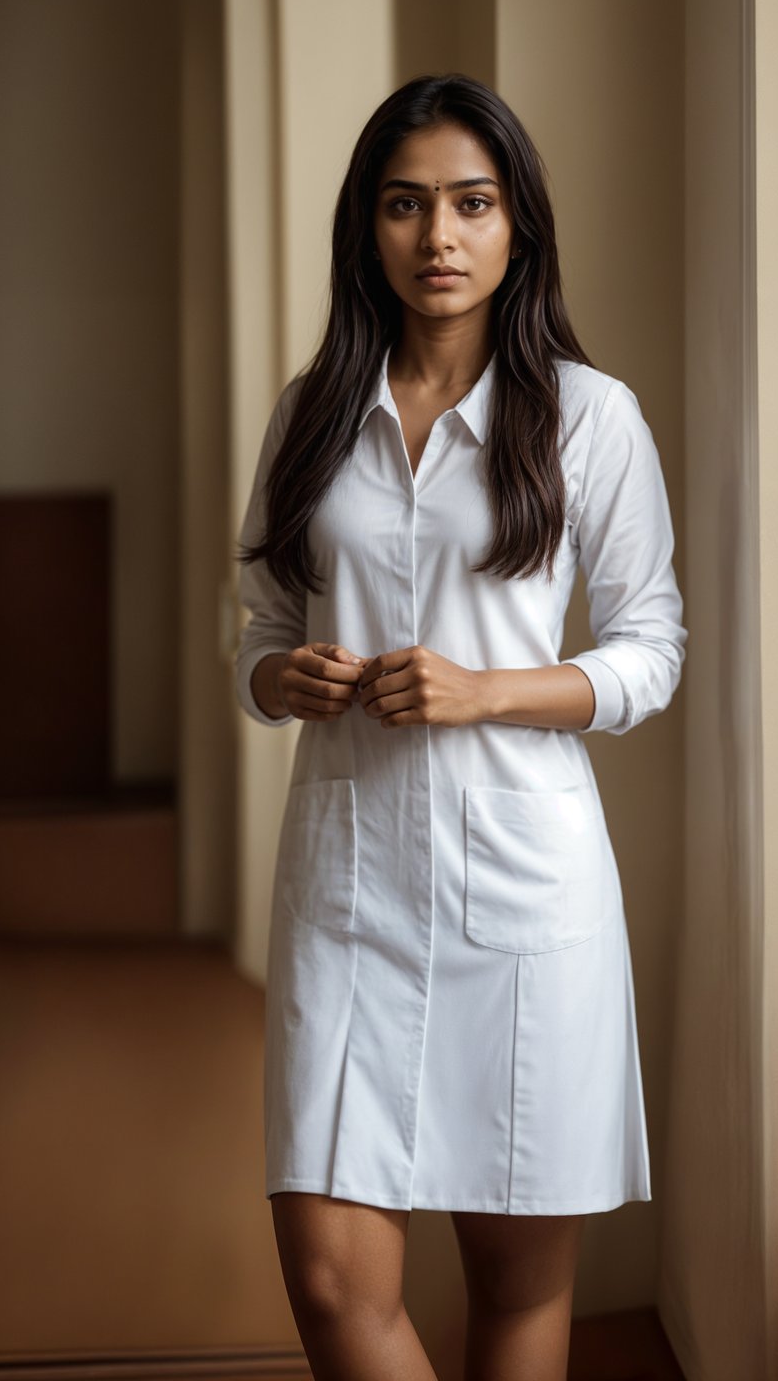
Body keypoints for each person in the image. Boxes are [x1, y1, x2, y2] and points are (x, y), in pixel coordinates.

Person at [233, 72, 688, 1381]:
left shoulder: (590, 420)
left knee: (513, 1288)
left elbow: (652, 653)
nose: (438, 237)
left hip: (526, 895)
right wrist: (285, 680)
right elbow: (255, 628)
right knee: (332, 1285)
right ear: (366, 229)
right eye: (405, 204)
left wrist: (486, 691)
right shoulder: (312, 413)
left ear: (516, 227)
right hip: (348, 889)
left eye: (471, 205)